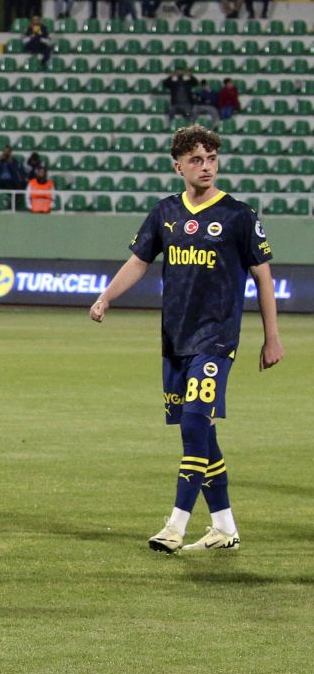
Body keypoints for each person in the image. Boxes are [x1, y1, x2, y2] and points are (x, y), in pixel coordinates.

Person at [90, 125, 282, 554]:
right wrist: (105, 297)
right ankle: (224, 527)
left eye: (212, 158)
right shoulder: (165, 213)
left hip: (216, 338)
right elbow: (138, 262)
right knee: (199, 435)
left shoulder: (238, 215)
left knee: (196, 423)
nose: (206, 166)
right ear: (178, 166)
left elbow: (263, 277)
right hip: (175, 338)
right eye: (196, 159)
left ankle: (175, 526)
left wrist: (272, 336)